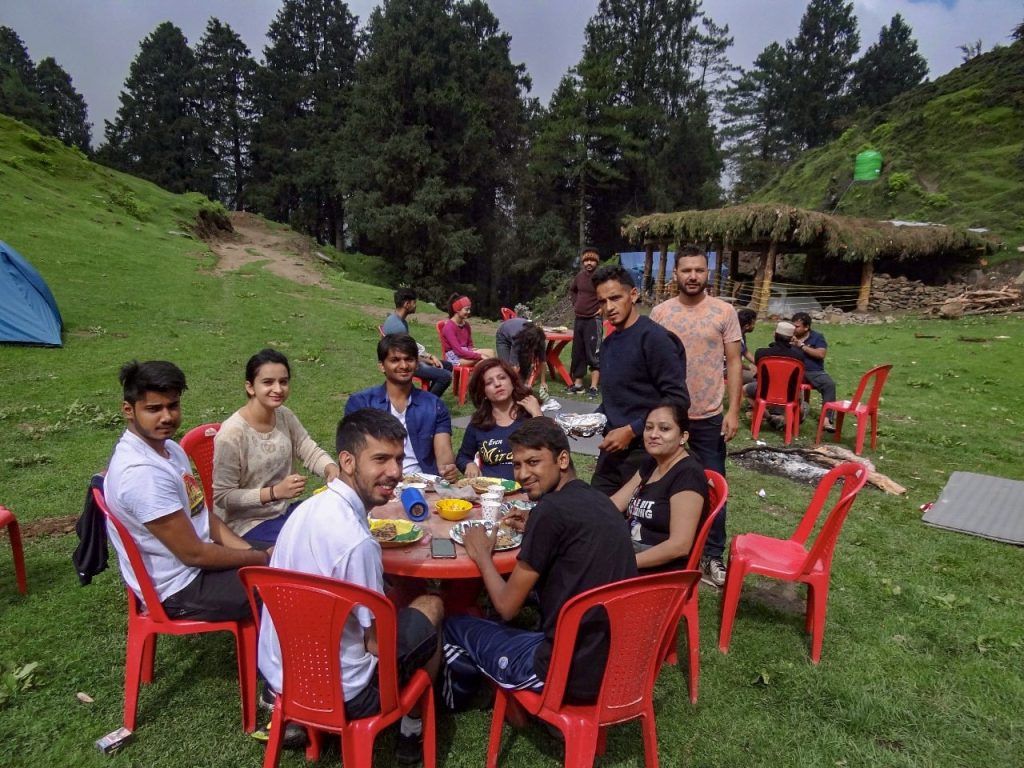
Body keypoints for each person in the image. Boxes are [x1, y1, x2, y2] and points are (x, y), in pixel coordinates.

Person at [257, 408, 443, 765]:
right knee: (432, 604)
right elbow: (375, 645)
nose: (395, 472)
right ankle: (411, 729)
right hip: (348, 693)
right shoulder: (357, 543)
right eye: (380, 459)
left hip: (284, 676)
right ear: (347, 461)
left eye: (399, 459)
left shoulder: (306, 510)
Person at [443, 417, 637, 707]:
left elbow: (507, 608)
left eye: (533, 462)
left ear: (562, 459)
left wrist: (482, 554)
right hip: (616, 665)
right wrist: (534, 522)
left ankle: (464, 699)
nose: (522, 474)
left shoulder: (550, 512)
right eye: (517, 464)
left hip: (565, 673)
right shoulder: (597, 500)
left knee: (452, 624)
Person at [103, 360, 268, 622]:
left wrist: (251, 552)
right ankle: (286, 659)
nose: (167, 417)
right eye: (154, 409)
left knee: (295, 553)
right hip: (181, 587)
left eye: (173, 405)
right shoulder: (142, 474)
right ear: (128, 410)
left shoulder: (169, 448)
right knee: (289, 587)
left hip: (201, 560)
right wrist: (258, 559)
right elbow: (193, 555)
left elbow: (202, 514)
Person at [650, 246, 742, 587]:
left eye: (699, 271)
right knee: (662, 483)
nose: (692, 276)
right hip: (668, 418)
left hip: (708, 415)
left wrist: (733, 411)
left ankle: (713, 556)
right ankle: (666, 547)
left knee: (713, 485)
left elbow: (734, 362)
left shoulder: (724, 311)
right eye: (686, 270)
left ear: (708, 273)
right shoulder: (660, 314)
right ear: (675, 274)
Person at [212, 348, 340, 546]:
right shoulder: (232, 434)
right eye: (268, 382)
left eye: (284, 381)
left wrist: (331, 469)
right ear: (250, 387)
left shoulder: (283, 415)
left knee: (338, 518)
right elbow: (223, 496)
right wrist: (275, 492)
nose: (278, 389)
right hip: (246, 525)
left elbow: (307, 448)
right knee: (317, 542)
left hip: (283, 511)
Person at [590, 264, 689, 495]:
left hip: (647, 451)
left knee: (635, 526)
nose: (609, 307)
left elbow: (677, 399)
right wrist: (591, 419)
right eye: (603, 302)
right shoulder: (608, 344)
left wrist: (631, 430)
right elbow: (617, 398)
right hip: (612, 451)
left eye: (615, 298)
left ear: (633, 295)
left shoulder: (655, 339)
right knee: (594, 515)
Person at [609, 402, 708, 573]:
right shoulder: (652, 463)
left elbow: (680, 546)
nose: (653, 435)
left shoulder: (688, 475)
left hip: (657, 570)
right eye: (648, 428)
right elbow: (615, 503)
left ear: (683, 436)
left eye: (664, 429)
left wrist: (626, 562)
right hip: (630, 548)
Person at [345, 334, 459, 482]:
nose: (404, 366)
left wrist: (448, 471)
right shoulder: (360, 404)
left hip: (423, 484)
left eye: (409, 359)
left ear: (417, 363)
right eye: (395, 360)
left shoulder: (434, 405)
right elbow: (355, 455)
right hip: (377, 483)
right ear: (381, 366)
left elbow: (444, 457)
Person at [455, 359, 542, 481]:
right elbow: (463, 456)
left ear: (512, 381)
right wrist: (469, 464)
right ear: (483, 392)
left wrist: (538, 415)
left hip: (529, 492)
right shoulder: (479, 423)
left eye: (502, 378)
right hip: (491, 493)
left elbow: (551, 449)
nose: (497, 384)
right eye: (489, 383)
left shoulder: (529, 414)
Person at [383, 287, 452, 397]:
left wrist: (428, 356)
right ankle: (427, 404)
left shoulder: (398, 320)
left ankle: (426, 398)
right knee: (445, 376)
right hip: (404, 364)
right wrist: (428, 361)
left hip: (408, 358)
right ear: (407, 304)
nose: (416, 306)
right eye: (414, 303)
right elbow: (406, 355)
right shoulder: (397, 326)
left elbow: (409, 347)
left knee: (447, 366)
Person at [743, 320, 807, 429]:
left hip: (764, 391)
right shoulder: (799, 356)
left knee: (745, 389)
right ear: (792, 338)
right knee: (801, 400)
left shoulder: (761, 353)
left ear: (775, 335)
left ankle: (768, 417)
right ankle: (786, 420)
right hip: (789, 394)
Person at [791, 312, 837, 431]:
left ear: (806, 327)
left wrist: (801, 346)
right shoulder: (788, 336)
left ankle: (826, 420)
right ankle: (791, 413)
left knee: (829, 385)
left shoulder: (817, 337)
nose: (794, 329)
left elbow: (821, 354)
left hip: (814, 371)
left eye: (797, 326)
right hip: (794, 371)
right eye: (793, 325)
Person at [567, 247, 602, 397]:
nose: (589, 263)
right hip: (579, 318)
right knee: (578, 352)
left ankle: (594, 387)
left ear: (596, 262)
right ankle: (579, 385)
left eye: (592, 260)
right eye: (586, 260)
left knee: (593, 353)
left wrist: (603, 308)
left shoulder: (601, 276)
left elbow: (610, 292)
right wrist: (575, 303)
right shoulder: (579, 276)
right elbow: (573, 290)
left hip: (593, 320)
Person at [440, 294, 494, 366]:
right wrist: (479, 355)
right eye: (466, 309)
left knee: (490, 353)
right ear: (457, 309)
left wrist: (472, 350)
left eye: (469, 309)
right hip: (455, 358)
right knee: (485, 358)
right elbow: (458, 351)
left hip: (465, 353)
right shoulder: (449, 327)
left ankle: (481, 375)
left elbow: (469, 345)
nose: (469, 312)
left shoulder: (466, 325)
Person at [494, 317, 548, 389]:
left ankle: (521, 385)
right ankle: (505, 387)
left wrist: (543, 382)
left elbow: (543, 362)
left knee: (525, 362)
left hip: (517, 332)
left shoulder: (540, 340)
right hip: (503, 335)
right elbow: (514, 366)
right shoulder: (519, 339)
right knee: (506, 366)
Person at [737, 308, 758, 387]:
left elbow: (747, 354)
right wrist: (749, 368)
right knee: (758, 378)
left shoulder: (741, 335)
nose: (754, 326)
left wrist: (763, 365)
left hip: (734, 368)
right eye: (753, 324)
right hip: (728, 371)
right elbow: (733, 364)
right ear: (746, 326)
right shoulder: (736, 339)